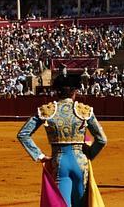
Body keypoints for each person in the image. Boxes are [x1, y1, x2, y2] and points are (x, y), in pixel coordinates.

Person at [17, 73, 107, 206]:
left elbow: (23, 134)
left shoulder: (47, 111)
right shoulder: (84, 111)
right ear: (75, 92)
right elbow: (102, 139)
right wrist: (88, 154)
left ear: (56, 92)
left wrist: (40, 155)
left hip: (59, 162)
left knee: (61, 204)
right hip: (80, 162)